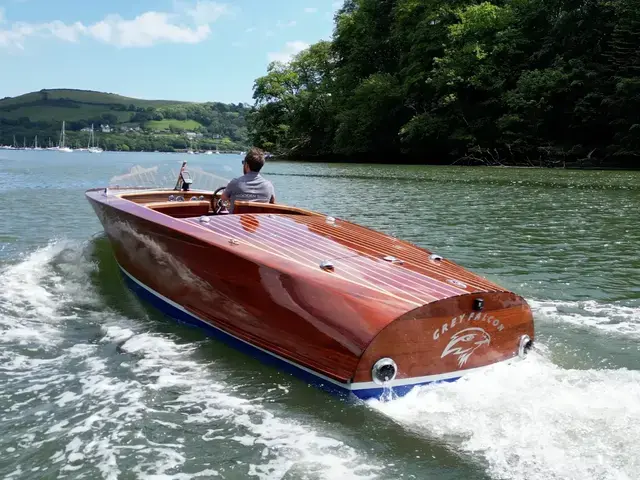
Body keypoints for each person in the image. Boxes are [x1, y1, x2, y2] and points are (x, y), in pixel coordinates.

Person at [221, 147, 276, 213]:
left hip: (236, 221)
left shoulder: (235, 183)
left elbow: (224, 198)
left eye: (243, 163)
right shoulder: (269, 186)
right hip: (258, 222)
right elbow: (272, 202)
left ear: (246, 165)